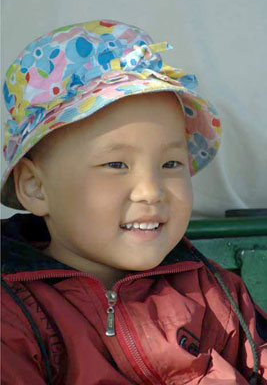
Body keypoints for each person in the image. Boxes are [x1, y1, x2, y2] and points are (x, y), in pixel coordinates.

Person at [1, 19, 266, 385]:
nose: (150, 190)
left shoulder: (213, 290)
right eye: (116, 164)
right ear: (36, 188)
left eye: (171, 164)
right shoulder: (12, 312)